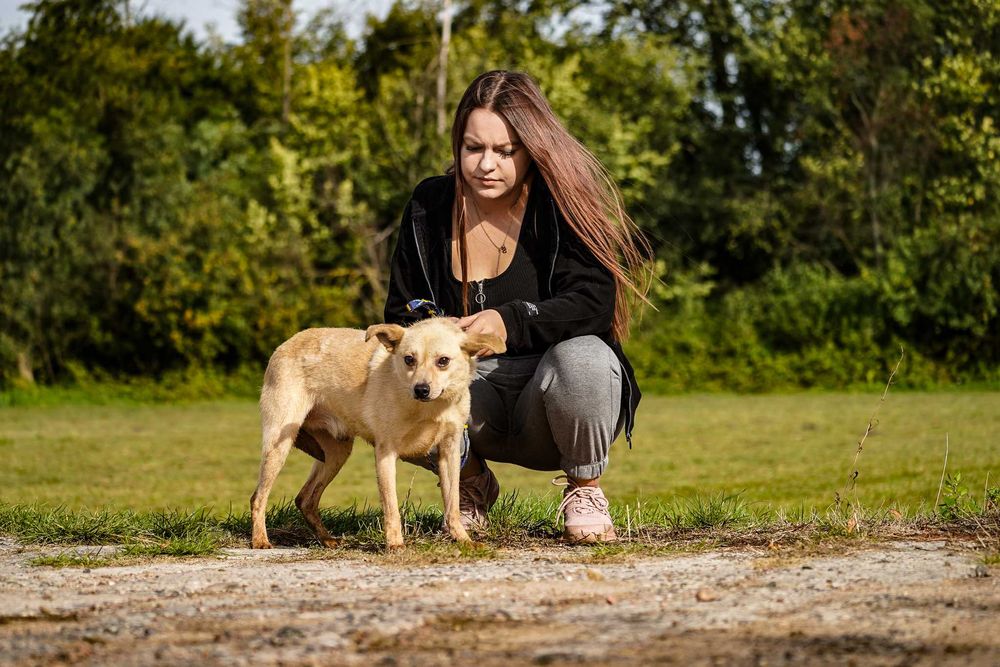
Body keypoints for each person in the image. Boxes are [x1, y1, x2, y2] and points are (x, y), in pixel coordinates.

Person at [384, 70, 651, 543]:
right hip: (464, 396)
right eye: (473, 148)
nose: (487, 164)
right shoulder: (429, 204)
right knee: (397, 369)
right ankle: (467, 484)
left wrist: (512, 320)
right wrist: (437, 327)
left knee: (586, 356)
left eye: (505, 151)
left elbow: (594, 302)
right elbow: (402, 313)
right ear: (457, 144)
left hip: (550, 400)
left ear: (532, 149)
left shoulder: (561, 202)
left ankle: (584, 490)